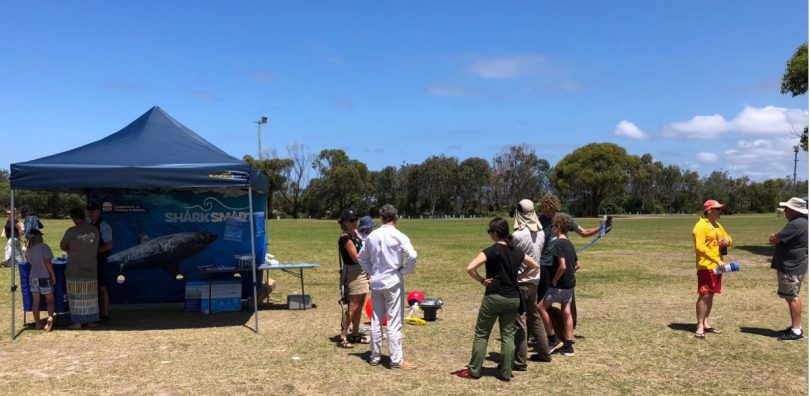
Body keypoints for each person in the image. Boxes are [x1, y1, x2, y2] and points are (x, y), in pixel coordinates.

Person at [455, 217, 540, 381]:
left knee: (482, 334)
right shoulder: (516, 251)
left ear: (495, 233)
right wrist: (520, 276)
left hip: (494, 296)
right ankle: (506, 372)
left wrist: (481, 280)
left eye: (489, 232)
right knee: (508, 336)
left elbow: (470, 268)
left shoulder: (490, 251)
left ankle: (474, 370)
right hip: (513, 298)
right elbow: (535, 265)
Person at [536, 193, 601, 348]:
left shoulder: (564, 219)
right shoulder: (539, 220)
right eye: (543, 209)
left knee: (567, 301)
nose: (546, 213)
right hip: (544, 265)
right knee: (545, 301)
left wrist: (601, 228)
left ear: (555, 208)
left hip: (560, 264)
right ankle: (550, 333)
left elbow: (583, 233)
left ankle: (568, 334)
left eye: (548, 210)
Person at [358, 204, 418, 369]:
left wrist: (372, 270)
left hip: (376, 282)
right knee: (394, 321)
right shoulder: (399, 236)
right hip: (392, 281)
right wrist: (404, 271)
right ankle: (396, 360)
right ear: (396, 217)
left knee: (376, 320)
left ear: (381, 218)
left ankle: (375, 356)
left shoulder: (372, 236)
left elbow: (361, 257)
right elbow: (412, 255)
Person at [511, 199, 551, 368]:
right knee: (534, 316)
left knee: (519, 320)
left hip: (520, 279)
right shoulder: (541, 232)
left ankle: (520, 360)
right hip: (535, 278)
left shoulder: (517, 235)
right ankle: (544, 352)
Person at [537, 214, 579, 357]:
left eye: (553, 226)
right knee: (566, 312)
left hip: (559, 285)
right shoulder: (570, 244)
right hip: (570, 284)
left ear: (559, 228)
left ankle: (552, 339)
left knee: (540, 307)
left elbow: (562, 266)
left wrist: (554, 280)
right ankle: (568, 346)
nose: (552, 229)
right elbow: (577, 264)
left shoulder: (558, 244)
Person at [768, 197, 808, 342]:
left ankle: (796, 330)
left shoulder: (795, 224)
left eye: (787, 208)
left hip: (791, 266)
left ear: (794, 210)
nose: (785, 211)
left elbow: (774, 239)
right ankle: (795, 327)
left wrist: (774, 235)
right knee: (792, 296)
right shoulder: (802, 223)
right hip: (795, 265)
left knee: (792, 297)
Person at [692, 199, 732, 338]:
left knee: (711, 294)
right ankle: (700, 325)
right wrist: (716, 259)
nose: (720, 211)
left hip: (718, 267)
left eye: (720, 209)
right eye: (717, 209)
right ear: (709, 210)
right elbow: (700, 247)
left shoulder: (717, 225)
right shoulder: (700, 226)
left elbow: (728, 237)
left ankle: (706, 322)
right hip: (705, 266)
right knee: (704, 295)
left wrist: (728, 241)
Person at [60, 207, 101, 330]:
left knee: (76, 297)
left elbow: (62, 245)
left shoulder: (71, 231)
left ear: (74, 218)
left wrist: (71, 249)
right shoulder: (95, 230)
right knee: (91, 297)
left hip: (75, 269)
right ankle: (90, 321)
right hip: (91, 267)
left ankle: (77, 322)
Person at [337, 209, 370, 348]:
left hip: (362, 271)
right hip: (353, 273)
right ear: (344, 223)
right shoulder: (345, 237)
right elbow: (356, 258)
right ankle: (343, 336)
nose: (355, 222)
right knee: (353, 306)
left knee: (360, 304)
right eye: (351, 220)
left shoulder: (355, 234)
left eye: (355, 219)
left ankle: (355, 334)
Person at [25, 229, 56, 332]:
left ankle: (37, 323)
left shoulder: (28, 249)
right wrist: (53, 274)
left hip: (33, 277)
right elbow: (47, 262)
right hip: (44, 277)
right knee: (50, 301)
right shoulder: (44, 247)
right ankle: (50, 317)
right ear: (39, 236)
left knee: (35, 302)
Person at [86, 202, 113, 321]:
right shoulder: (88, 224)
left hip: (101, 261)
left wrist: (93, 252)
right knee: (93, 288)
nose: (90, 213)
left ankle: (105, 314)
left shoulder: (104, 226)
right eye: (88, 211)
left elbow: (109, 246)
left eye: (92, 211)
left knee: (102, 288)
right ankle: (95, 313)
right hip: (90, 262)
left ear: (98, 212)